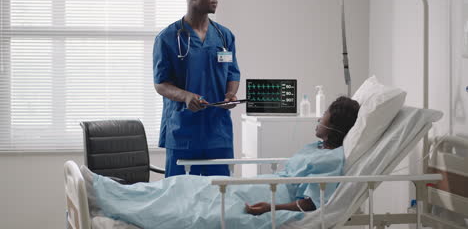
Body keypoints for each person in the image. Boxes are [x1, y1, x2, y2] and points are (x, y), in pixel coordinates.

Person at [85, 96, 360, 229]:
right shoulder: (316, 146)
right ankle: (105, 192)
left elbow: (311, 203)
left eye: (324, 114)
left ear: (335, 125)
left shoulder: (331, 159)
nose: (318, 118)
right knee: (180, 186)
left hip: (265, 197)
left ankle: (106, 199)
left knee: (191, 211)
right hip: (254, 187)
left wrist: (270, 207)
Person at [153, 0, 241, 177]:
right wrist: (185, 96)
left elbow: (233, 74)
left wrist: (230, 95)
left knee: (219, 198)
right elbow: (160, 84)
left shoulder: (224, 36)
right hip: (183, 130)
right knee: (180, 198)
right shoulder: (167, 38)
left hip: (218, 132)